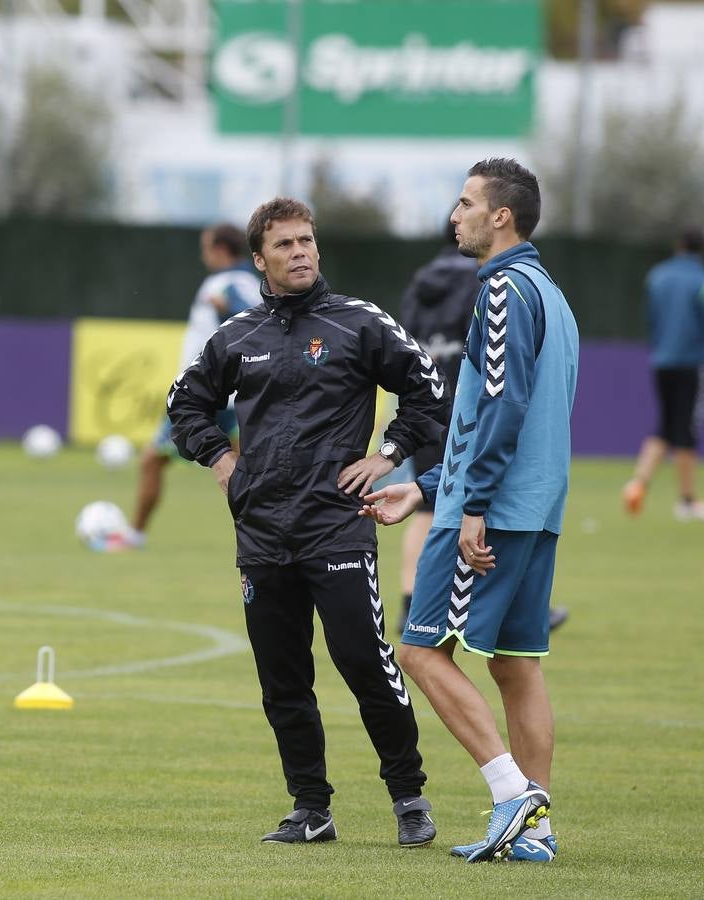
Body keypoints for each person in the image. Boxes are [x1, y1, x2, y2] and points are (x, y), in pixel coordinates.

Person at [168, 197, 449, 848]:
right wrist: (217, 455)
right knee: (282, 679)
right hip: (263, 530)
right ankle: (309, 808)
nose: (299, 252)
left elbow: (427, 392)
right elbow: (184, 404)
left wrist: (387, 455)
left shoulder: (358, 323)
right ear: (259, 259)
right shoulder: (237, 335)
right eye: (285, 245)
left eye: (306, 241)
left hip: (335, 524)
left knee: (363, 662)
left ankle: (407, 796)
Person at [364, 158, 579, 864]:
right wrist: (425, 486)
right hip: (536, 507)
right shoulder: (549, 293)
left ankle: (511, 793)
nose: (452, 215)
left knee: (420, 650)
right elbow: (493, 409)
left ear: (500, 217)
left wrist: (470, 503)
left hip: (488, 510)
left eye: (464, 203)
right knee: (517, 665)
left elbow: (501, 404)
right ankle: (536, 830)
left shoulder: (499, 291)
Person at [397, 222, 570, 635]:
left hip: (425, 405)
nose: (460, 216)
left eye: (466, 205)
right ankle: (488, 602)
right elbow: (500, 386)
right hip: (470, 417)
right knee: (425, 653)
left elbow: (405, 341)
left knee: (425, 508)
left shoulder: (420, 281)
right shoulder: (497, 286)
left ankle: (410, 599)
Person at [119, 223, 259, 549]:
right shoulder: (251, 280)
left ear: (222, 250)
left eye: (206, 247)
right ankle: (265, 537)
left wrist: (229, 308)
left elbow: (248, 315)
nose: (203, 254)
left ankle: (135, 535)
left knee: (152, 460)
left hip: (204, 396)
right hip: (232, 394)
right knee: (247, 472)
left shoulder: (227, 283)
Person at [622, 228, 704, 522]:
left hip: (662, 360)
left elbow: (651, 318)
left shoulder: (657, 276)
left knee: (666, 425)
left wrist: (660, 347)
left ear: (679, 245)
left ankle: (637, 483)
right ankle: (688, 501)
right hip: (692, 362)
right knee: (687, 430)